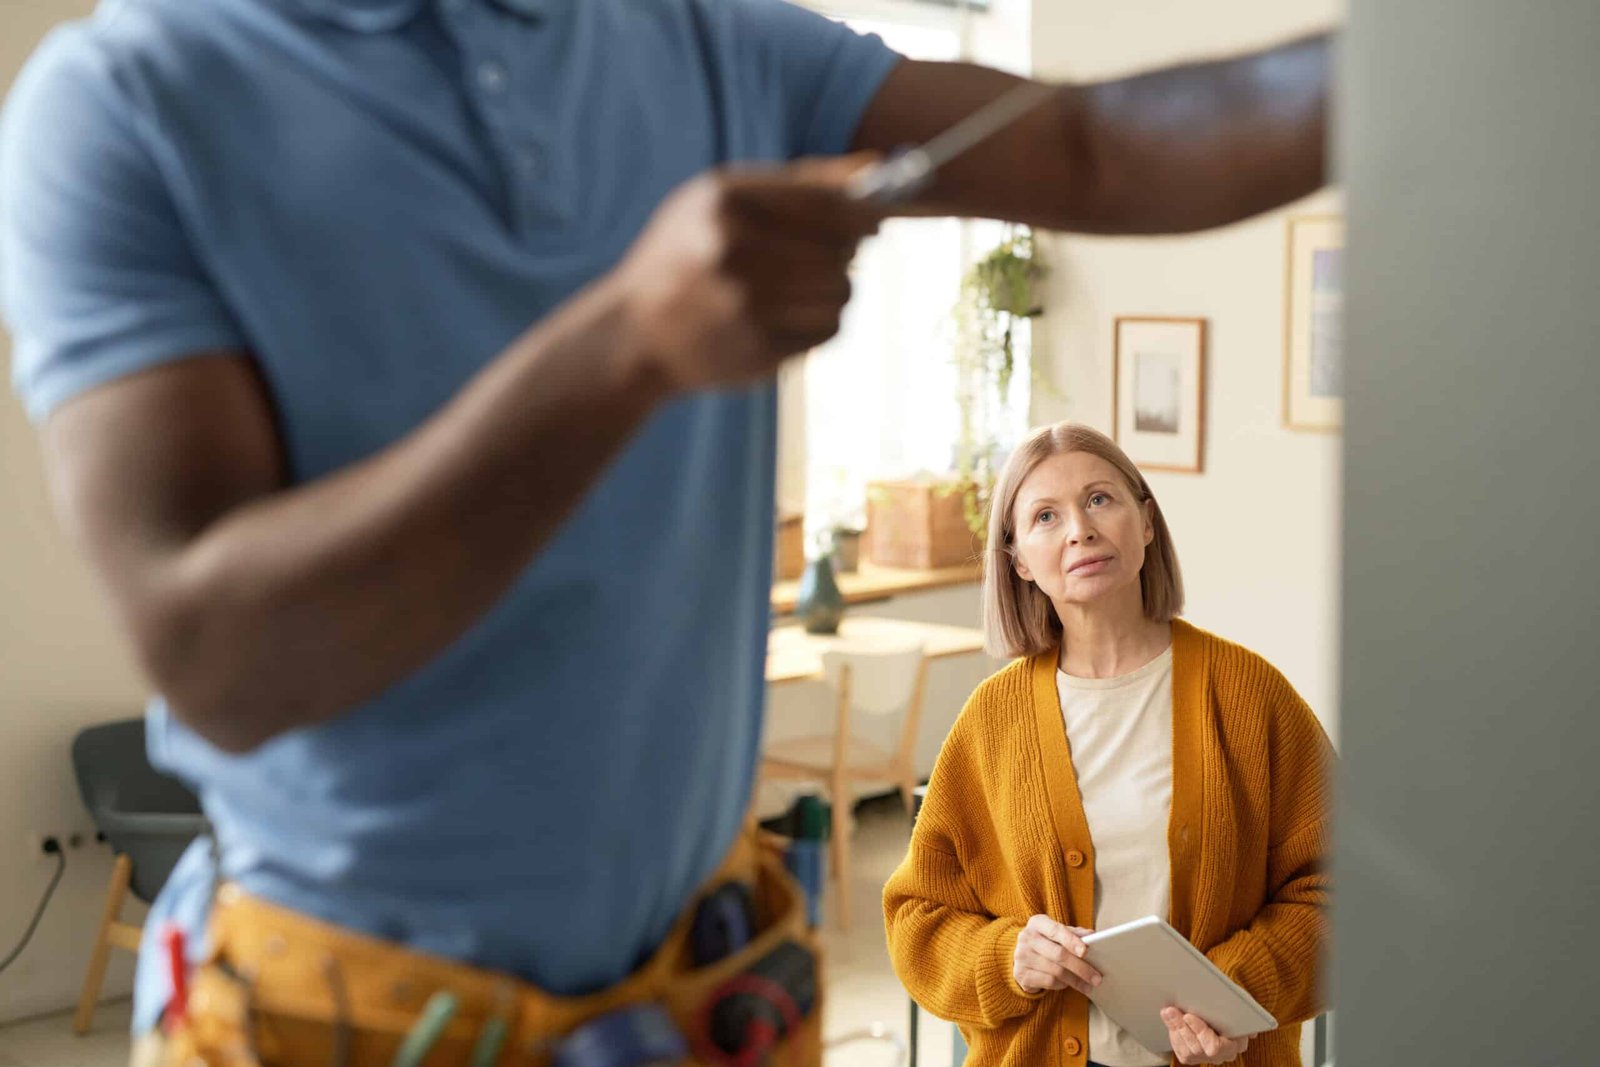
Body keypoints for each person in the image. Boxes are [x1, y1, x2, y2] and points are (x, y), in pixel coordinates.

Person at [0, 0, 1330, 1062]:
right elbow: (221, 660)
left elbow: (1098, 145)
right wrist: (627, 344)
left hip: (710, 996)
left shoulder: (707, 40)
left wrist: (1455, 42)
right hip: (345, 1016)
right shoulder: (125, 105)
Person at [883, 423, 1333, 1067]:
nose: (1080, 530)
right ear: (1018, 560)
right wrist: (1009, 956)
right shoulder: (992, 720)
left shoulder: (1249, 695)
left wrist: (1239, 993)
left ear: (1145, 522)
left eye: (1100, 500)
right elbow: (917, 917)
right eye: (1046, 515)